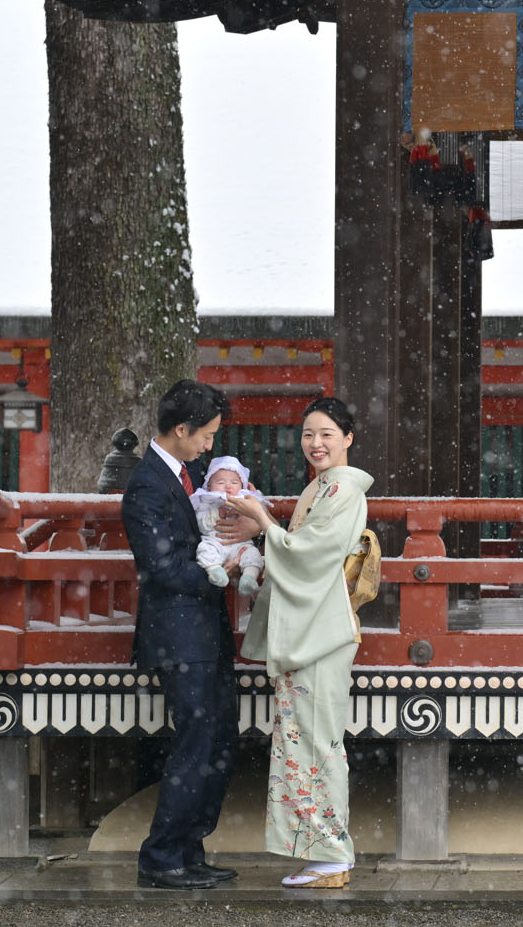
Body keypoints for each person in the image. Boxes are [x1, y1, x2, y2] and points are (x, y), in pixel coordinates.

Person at [218, 396, 372, 890]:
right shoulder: (323, 486)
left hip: (321, 633)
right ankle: (320, 852)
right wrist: (263, 529)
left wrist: (264, 524)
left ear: (348, 438)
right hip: (312, 628)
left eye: (327, 434)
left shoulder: (343, 489)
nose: (316, 443)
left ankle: (331, 855)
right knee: (303, 739)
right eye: (308, 434)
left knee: (316, 740)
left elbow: (312, 555)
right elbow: (301, 551)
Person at [120, 379, 239, 891]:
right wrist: (220, 574)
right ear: (182, 429)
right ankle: (162, 856)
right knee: (195, 742)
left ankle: (189, 850)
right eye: (206, 435)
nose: (210, 445)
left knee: (218, 740)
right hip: (179, 633)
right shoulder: (148, 483)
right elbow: (160, 566)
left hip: (202, 631)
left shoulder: (183, 477)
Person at [192, 456, 265, 598]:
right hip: (215, 541)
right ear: (209, 486)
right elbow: (200, 524)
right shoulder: (205, 501)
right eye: (220, 482)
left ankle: (249, 578)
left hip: (241, 545)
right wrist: (214, 514)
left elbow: (260, 516)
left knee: (252, 554)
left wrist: (247, 512)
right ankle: (215, 571)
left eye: (234, 482)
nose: (228, 486)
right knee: (205, 550)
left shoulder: (246, 500)